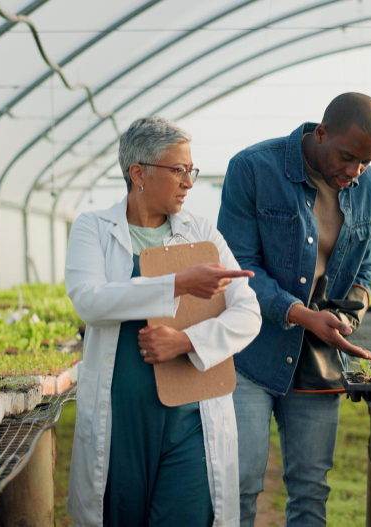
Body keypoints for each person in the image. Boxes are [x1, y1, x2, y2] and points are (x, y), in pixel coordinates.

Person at [65, 116, 263, 527]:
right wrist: (178, 283)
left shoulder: (203, 233)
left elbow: (248, 313)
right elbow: (90, 301)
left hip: (190, 416)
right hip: (121, 418)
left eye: (191, 170)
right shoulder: (93, 229)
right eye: (178, 170)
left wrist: (186, 341)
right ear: (138, 173)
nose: (188, 182)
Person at [216, 93, 371, 526]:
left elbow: (364, 269)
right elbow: (241, 267)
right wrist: (304, 315)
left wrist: (352, 315)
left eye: (364, 162)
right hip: (250, 354)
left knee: (311, 491)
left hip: (317, 358)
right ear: (321, 132)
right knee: (240, 485)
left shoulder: (370, 188)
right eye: (347, 157)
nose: (354, 172)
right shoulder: (253, 169)